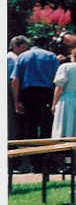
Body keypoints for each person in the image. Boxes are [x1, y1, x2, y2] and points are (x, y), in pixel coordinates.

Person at [11, 35, 59, 170]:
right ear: (46, 45)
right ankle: (45, 161)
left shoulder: (22, 56)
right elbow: (57, 79)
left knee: (30, 127)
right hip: (46, 93)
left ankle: (32, 161)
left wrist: (17, 100)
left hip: (28, 93)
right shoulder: (52, 57)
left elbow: (15, 80)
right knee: (46, 127)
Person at [7, 36, 30, 141]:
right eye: (24, 48)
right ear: (16, 47)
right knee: (11, 121)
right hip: (10, 94)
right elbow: (14, 80)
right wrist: (17, 100)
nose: (26, 51)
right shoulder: (13, 59)